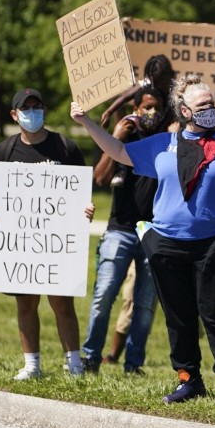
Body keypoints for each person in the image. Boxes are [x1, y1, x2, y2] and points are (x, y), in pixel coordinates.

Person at [72, 74, 215, 404]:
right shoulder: (162, 144)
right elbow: (118, 150)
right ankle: (188, 379)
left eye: (213, 104)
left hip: (214, 243)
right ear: (184, 111)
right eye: (203, 105)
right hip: (167, 244)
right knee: (178, 315)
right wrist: (85, 121)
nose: (210, 110)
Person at [0, 88, 91, 379]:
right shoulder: (4, 151)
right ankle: (32, 364)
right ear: (15, 114)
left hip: (56, 245)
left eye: (37, 106)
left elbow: (81, 194)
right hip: (22, 246)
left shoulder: (65, 147)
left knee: (62, 303)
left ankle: (74, 365)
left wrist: (86, 210)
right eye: (26, 108)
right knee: (26, 304)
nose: (33, 112)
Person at [81, 86, 163, 376]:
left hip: (153, 232)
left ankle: (134, 363)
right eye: (146, 107)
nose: (151, 113)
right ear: (136, 109)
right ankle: (90, 357)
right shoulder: (124, 139)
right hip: (120, 230)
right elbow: (100, 177)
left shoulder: (165, 142)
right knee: (104, 295)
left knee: (143, 303)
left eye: (156, 108)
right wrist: (116, 137)